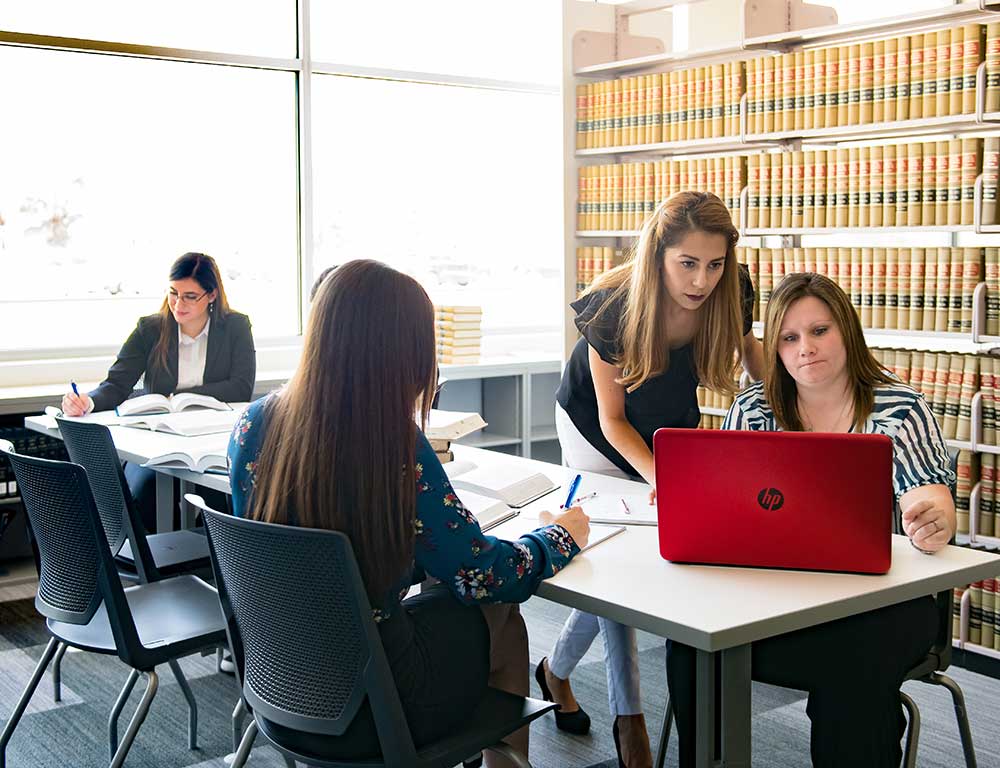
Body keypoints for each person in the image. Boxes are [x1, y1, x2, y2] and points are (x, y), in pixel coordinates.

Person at [227, 259, 590, 766]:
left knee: (446, 598)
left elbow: (307, 548)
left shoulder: (251, 424)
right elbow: (482, 575)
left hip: (284, 682)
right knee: (502, 614)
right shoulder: (393, 445)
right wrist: (559, 537)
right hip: (376, 705)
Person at [666, 272, 955, 768]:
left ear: (846, 330)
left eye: (819, 331)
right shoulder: (753, 410)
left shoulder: (900, 409)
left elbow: (928, 491)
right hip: (773, 602)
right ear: (775, 347)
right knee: (691, 644)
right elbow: (731, 509)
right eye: (789, 337)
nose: (806, 348)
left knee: (855, 662)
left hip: (879, 607)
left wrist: (933, 516)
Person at [545, 190, 764, 766]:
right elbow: (613, 421)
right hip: (595, 427)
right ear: (658, 255)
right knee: (617, 567)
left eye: (714, 264)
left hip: (667, 419)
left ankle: (554, 671)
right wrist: (662, 482)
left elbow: (757, 363)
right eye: (687, 263)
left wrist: (791, 406)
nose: (702, 281)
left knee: (633, 564)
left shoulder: (731, 290)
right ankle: (631, 721)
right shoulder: (612, 306)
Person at [61, 252, 255, 531]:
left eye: (190, 296)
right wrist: (87, 401)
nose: (178, 303)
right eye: (174, 292)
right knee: (142, 498)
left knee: (224, 502)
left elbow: (241, 387)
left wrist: (181, 398)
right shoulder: (150, 328)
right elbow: (117, 384)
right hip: (158, 439)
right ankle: (156, 567)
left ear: (211, 295)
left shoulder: (235, 326)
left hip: (209, 440)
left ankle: (212, 566)